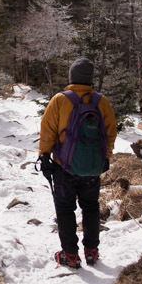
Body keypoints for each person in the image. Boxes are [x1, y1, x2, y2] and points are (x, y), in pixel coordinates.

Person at [38, 57, 117, 269]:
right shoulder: (102, 101)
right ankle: (92, 251)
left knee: (65, 209)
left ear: (72, 76)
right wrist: (105, 156)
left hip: (64, 167)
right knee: (91, 207)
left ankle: (70, 255)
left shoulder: (60, 100)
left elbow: (47, 132)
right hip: (92, 167)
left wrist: (44, 155)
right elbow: (110, 132)